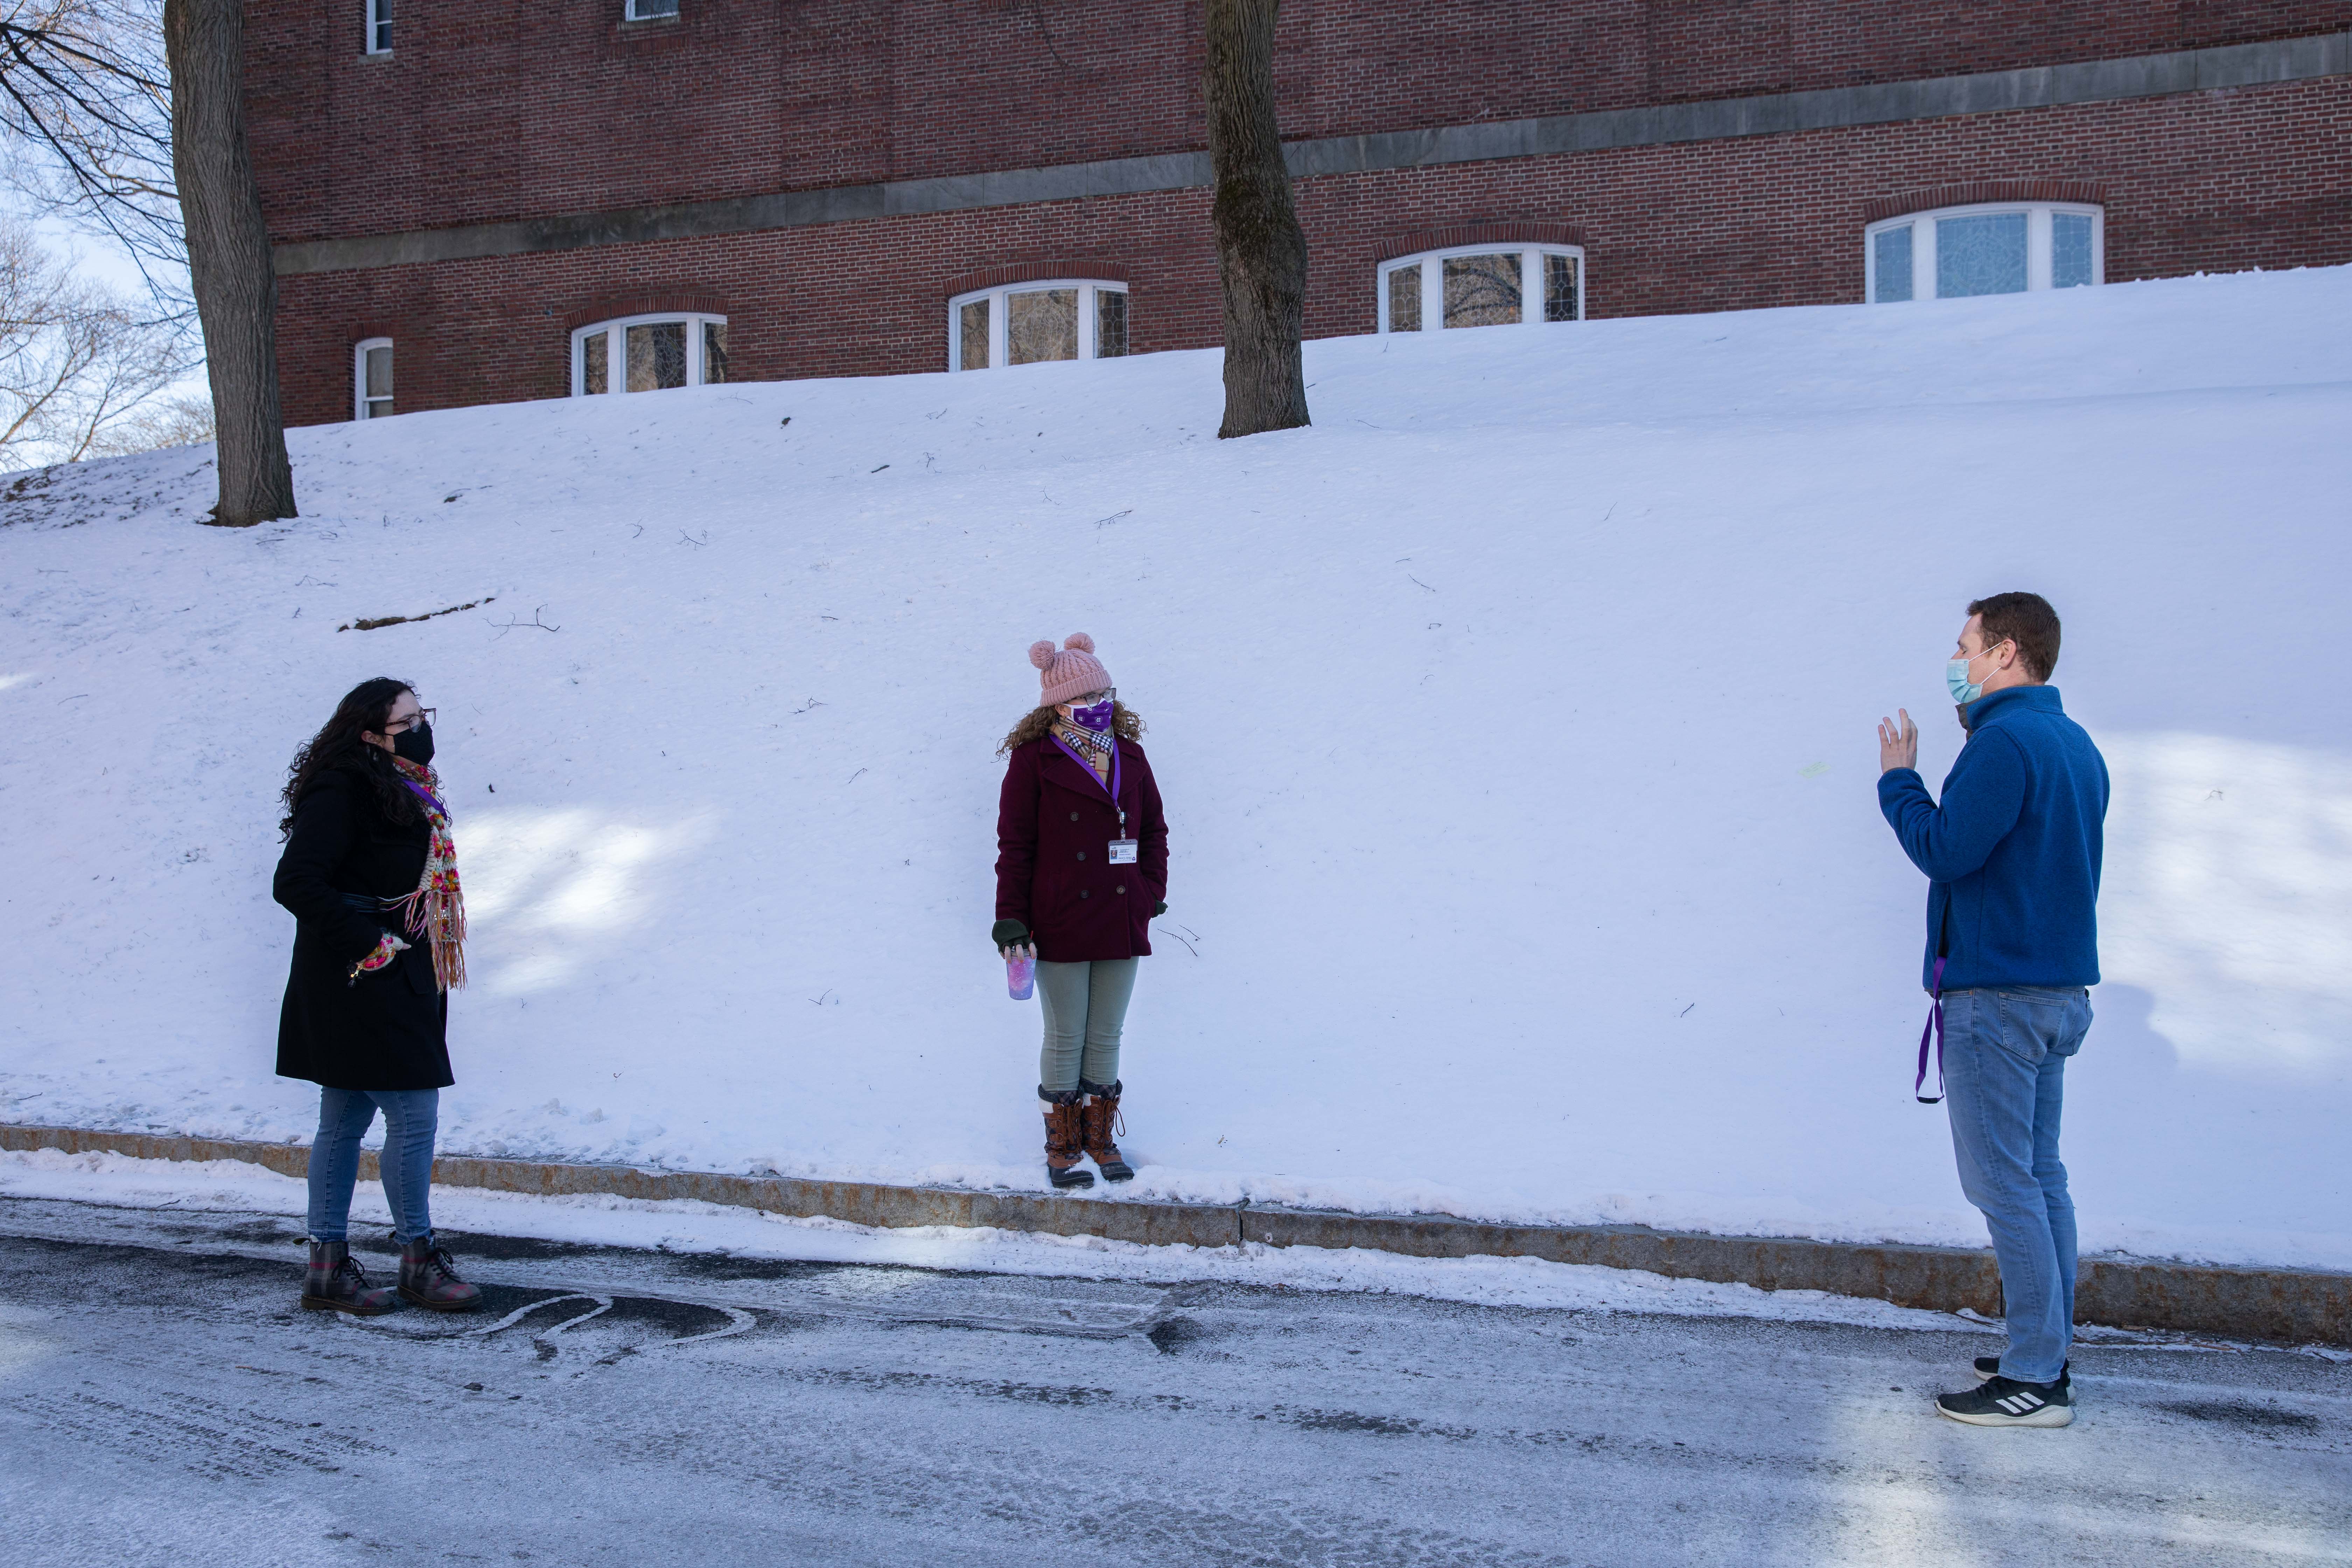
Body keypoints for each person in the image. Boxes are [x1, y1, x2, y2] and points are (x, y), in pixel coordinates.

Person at [1877, 593, 2108, 1428]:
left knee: (2005, 1184)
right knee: (2041, 1178)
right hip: (2053, 996)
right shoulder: (2074, 744)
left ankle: (2034, 1377)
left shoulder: (2003, 742)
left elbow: (1945, 849)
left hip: (1998, 1000)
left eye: (1966, 644)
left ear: (2007, 651)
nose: (1958, 659)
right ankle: (2043, 1347)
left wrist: (1899, 781)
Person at [274, 677, 482, 1315]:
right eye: (409, 721)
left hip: (397, 967)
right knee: (414, 1116)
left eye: (424, 715)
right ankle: (416, 1260)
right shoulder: (344, 787)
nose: (423, 728)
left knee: (343, 1118)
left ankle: (327, 1270)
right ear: (369, 732)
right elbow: (297, 881)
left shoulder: (402, 786)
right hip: (362, 973)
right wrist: (373, 943)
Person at [993, 635, 1169, 1189]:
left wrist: (1150, 891)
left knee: (1107, 1034)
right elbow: (1015, 845)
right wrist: (1011, 918)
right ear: (1059, 706)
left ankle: (1099, 1136)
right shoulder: (1034, 760)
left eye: (1106, 693)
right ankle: (1063, 1142)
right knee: (1067, 1034)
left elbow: (1153, 832)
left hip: (1121, 915)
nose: (1101, 704)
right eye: (1087, 697)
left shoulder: (1131, 756)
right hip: (1060, 915)